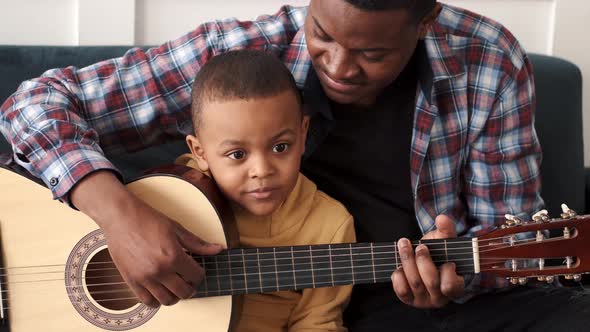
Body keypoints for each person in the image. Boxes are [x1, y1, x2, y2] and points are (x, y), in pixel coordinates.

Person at [1, 0, 588, 331]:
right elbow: (34, 104)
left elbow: (515, 244)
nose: (338, 66)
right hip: (233, 305)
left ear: (426, 19)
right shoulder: (240, 53)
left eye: (372, 52)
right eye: (322, 35)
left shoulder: (487, 61)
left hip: (390, 303)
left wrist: (456, 281)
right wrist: (120, 217)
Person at [179, 49, 355, 331]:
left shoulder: (328, 225)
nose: (262, 170)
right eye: (237, 154)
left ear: (303, 133)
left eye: (280, 147)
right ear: (199, 152)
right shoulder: (173, 195)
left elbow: (317, 323)